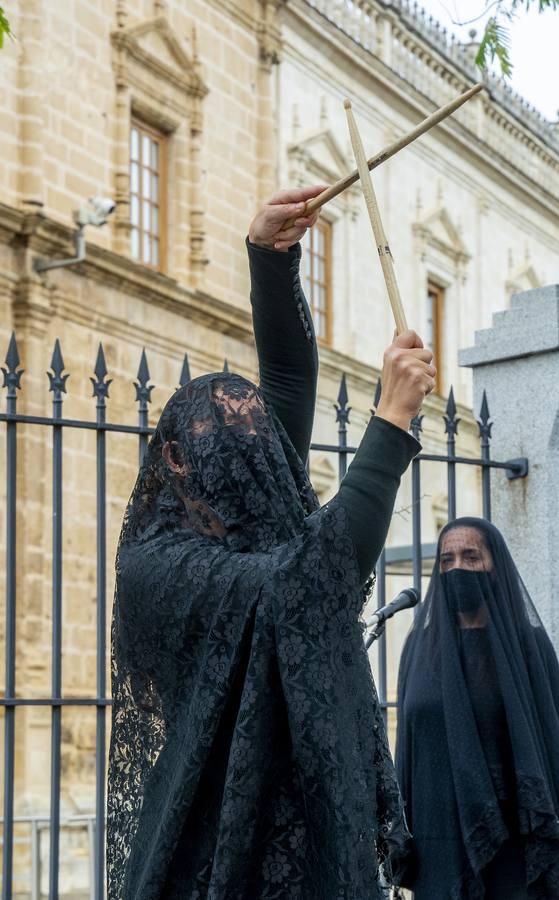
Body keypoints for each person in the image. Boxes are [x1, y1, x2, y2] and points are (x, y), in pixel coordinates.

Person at [107, 185, 436, 899]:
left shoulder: (255, 525)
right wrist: (388, 423)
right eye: (236, 442)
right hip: (210, 847)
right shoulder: (156, 565)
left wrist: (270, 260)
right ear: (174, 461)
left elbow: (285, 382)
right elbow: (310, 583)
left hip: (305, 828)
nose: (257, 456)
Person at [394, 516, 559, 900]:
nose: (457, 568)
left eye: (472, 557)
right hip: (436, 846)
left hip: (509, 847)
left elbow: (550, 751)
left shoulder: (528, 648)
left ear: (495, 566)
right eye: (447, 560)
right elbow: (407, 749)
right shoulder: (419, 650)